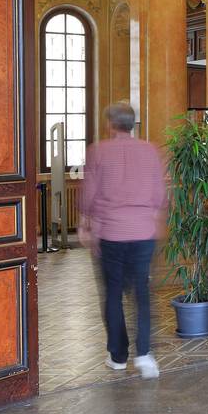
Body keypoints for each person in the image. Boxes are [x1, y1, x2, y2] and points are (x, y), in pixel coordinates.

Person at [79, 103, 168, 379]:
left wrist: (84, 224)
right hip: (143, 233)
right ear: (133, 124)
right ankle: (144, 356)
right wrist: (155, 220)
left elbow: (88, 194)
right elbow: (160, 194)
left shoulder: (98, 151)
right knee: (143, 294)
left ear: (110, 124)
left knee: (113, 295)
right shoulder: (150, 151)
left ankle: (117, 356)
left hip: (111, 235)